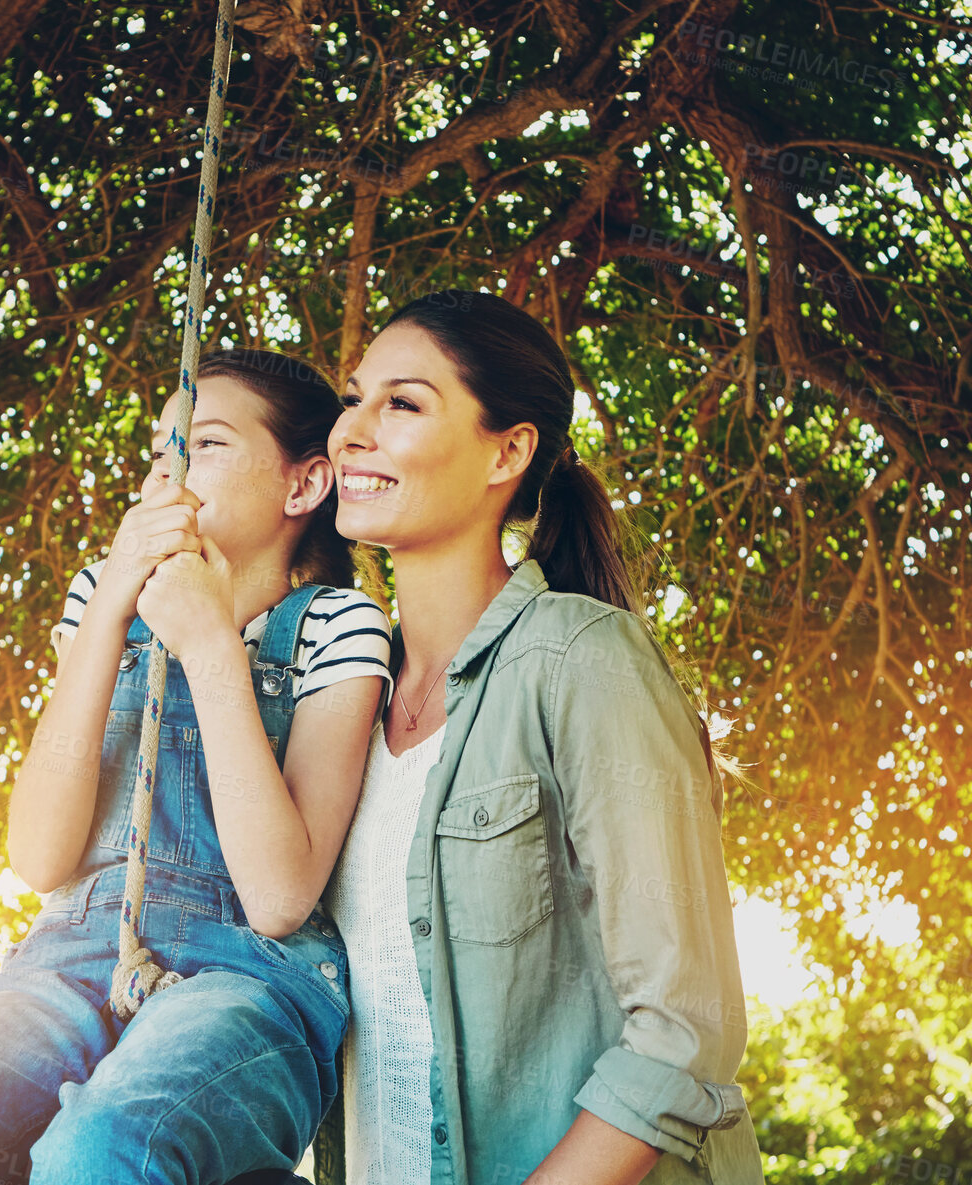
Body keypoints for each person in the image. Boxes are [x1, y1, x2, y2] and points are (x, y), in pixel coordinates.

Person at [0, 347, 391, 1185]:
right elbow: (39, 855)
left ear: (303, 484)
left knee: (105, 1143)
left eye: (203, 445)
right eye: (157, 454)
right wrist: (109, 610)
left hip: (248, 974)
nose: (165, 475)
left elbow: (280, 899)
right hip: (71, 953)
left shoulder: (337, 625)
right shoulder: (100, 599)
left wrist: (210, 642)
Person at [317, 289, 766, 1185]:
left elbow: (681, 1032)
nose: (349, 431)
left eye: (401, 403)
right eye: (352, 396)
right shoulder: (342, 705)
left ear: (508, 451)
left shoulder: (580, 658)